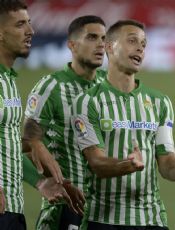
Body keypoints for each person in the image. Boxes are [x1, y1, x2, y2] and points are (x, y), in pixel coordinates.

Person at [72, 19, 175, 230]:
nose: (140, 48)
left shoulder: (159, 102)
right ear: (109, 47)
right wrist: (126, 165)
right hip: (103, 220)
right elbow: (96, 164)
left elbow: (166, 165)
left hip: (151, 220)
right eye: (132, 41)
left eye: (144, 44)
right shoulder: (88, 102)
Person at [0, 1, 83, 228]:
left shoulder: (8, 80)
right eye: (20, 25)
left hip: (12, 208)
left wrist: (40, 182)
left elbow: (6, 147)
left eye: (29, 23)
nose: (31, 31)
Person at [22, 15, 107, 229]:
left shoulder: (108, 86)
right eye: (92, 37)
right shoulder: (51, 87)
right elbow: (24, 143)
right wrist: (45, 181)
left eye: (104, 38)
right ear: (72, 45)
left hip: (109, 211)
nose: (100, 45)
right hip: (68, 208)